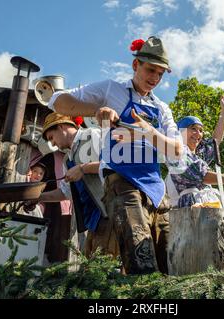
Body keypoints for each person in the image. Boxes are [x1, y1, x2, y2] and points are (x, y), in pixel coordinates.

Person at [48, 36, 183, 275]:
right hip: (122, 182)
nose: (155, 78)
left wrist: (149, 132)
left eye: (161, 74)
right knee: (140, 259)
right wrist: (96, 110)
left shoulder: (162, 108)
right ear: (135, 65)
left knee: (167, 259)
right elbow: (57, 102)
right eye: (150, 70)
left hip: (156, 188)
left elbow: (176, 149)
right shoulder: (112, 90)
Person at [41, 113, 119, 258]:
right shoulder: (67, 159)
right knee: (90, 268)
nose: (52, 144)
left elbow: (115, 165)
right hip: (94, 220)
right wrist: (38, 198)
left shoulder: (93, 135)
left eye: (52, 137)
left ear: (61, 127)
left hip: (110, 211)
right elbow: (65, 193)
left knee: (102, 268)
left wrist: (83, 168)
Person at [165, 113, 224, 208]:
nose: (198, 133)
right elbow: (203, 176)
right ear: (181, 132)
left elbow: (215, 141)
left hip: (208, 201)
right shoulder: (176, 154)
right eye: (193, 129)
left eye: (201, 130)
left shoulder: (199, 155)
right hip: (188, 207)